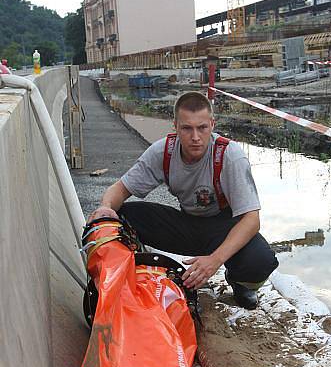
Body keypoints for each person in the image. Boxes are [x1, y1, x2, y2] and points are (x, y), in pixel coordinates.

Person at [89, 91, 278, 309]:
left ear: (212, 125)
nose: (195, 137)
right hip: (186, 225)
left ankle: (240, 283)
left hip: (223, 228)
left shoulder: (230, 155)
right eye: (187, 128)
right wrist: (105, 208)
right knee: (119, 216)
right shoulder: (163, 151)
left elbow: (252, 220)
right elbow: (120, 189)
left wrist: (214, 262)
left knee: (261, 261)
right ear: (176, 127)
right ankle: (129, 272)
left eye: (202, 128)